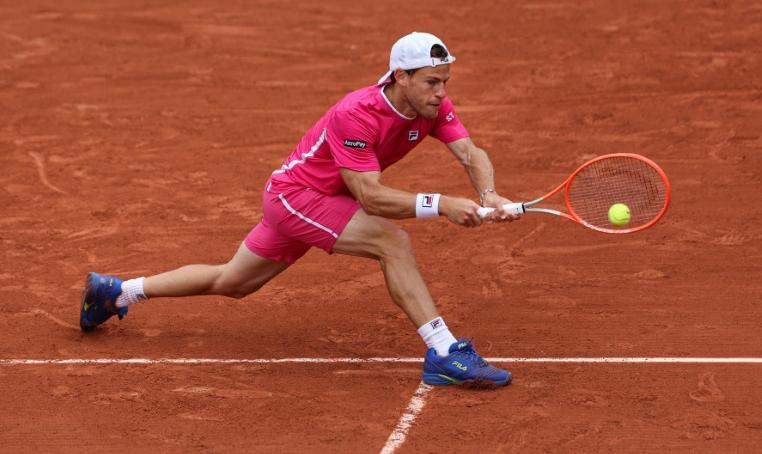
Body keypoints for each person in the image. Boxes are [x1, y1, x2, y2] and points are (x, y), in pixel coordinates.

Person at [80, 32, 519, 388]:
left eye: (444, 82)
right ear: (400, 76)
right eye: (431, 82)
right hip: (296, 198)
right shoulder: (358, 114)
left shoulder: (432, 106)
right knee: (391, 241)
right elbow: (370, 197)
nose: (441, 93)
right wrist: (441, 204)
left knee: (232, 281)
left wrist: (488, 194)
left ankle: (117, 291)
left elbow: (470, 152)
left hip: (322, 201)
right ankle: (443, 352)